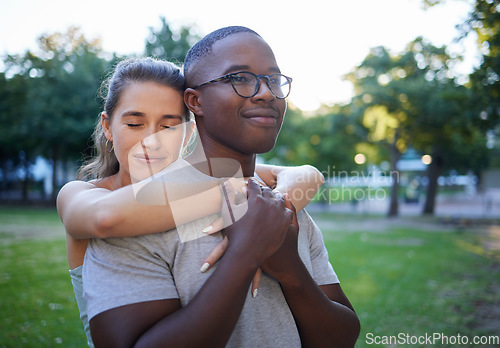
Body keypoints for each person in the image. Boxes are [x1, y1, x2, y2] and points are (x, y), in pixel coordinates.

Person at [83, 27, 360, 347]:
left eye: (273, 79)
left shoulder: (283, 208)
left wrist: (291, 271)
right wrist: (244, 254)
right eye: (240, 78)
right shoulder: (136, 214)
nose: (266, 92)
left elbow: (343, 337)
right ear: (195, 101)